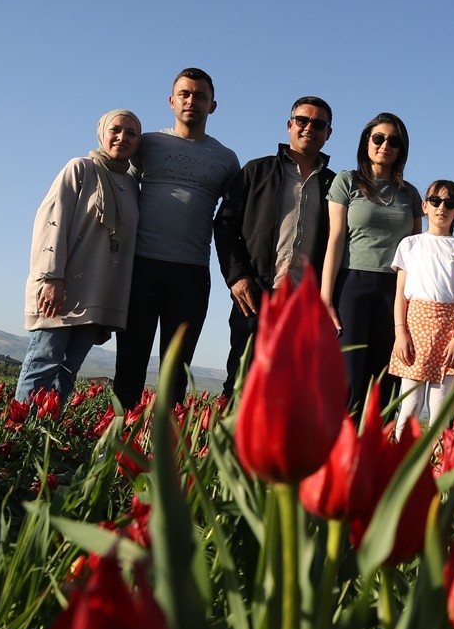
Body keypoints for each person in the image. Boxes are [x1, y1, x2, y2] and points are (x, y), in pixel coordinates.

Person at [114, 68, 240, 410]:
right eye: (184, 94)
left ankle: (165, 451)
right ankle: (114, 447)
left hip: (191, 273)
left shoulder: (226, 160)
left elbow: (234, 220)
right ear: (171, 102)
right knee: (130, 361)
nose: (191, 101)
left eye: (200, 95)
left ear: (213, 105)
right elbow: (115, 183)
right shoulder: (147, 144)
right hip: (140, 267)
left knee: (176, 370)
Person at [212, 96, 337, 399]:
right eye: (302, 121)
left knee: (292, 392)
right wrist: (237, 276)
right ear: (289, 125)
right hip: (256, 296)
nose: (309, 128)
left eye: (318, 124)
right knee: (242, 385)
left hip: (305, 305)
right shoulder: (257, 171)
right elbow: (224, 224)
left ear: (328, 133)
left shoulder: (335, 186)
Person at [15, 109, 142, 407]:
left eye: (131, 133)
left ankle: (47, 435)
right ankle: (18, 437)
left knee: (68, 371)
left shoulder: (133, 186)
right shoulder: (81, 169)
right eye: (116, 130)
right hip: (62, 287)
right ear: (102, 132)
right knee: (43, 361)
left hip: (98, 294)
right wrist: (51, 277)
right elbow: (51, 222)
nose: (122, 137)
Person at [321, 113, 421, 414]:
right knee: (348, 377)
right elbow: (335, 240)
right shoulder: (346, 182)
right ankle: (339, 452)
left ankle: (376, 452)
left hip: (395, 290)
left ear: (401, 149)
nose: (385, 145)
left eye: (394, 141)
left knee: (386, 377)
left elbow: (417, 251)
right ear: (367, 142)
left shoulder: (410, 194)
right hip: (352, 285)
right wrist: (326, 298)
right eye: (378, 138)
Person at [390, 180, 454, 438]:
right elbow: (400, 294)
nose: (442, 208)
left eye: (449, 203)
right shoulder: (410, 244)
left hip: (448, 330)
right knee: (410, 403)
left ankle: (438, 464)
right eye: (436, 201)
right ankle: (399, 458)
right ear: (425, 206)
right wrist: (400, 333)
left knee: (440, 408)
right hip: (414, 328)